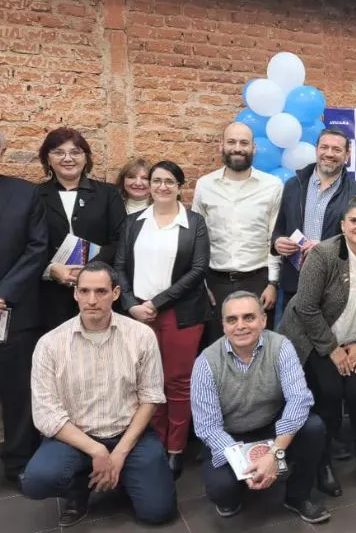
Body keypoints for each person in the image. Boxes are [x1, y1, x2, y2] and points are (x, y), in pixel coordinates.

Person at [21, 262, 176, 528]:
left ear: (116, 293)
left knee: (158, 512)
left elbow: (150, 397)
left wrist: (119, 453)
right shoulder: (50, 344)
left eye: (101, 291)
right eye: (85, 291)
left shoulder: (141, 335)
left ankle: (125, 475)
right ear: (75, 294)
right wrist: (97, 451)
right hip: (76, 438)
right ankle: (79, 488)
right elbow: (46, 414)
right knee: (36, 481)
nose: (92, 300)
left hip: (129, 435)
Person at [278, 194, 356, 495]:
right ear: (343, 225)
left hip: (355, 341)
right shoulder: (324, 255)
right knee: (328, 395)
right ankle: (323, 463)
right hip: (315, 339)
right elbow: (305, 307)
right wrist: (331, 349)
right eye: (354, 221)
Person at [191, 291, 330, 524]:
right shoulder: (206, 362)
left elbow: (299, 399)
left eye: (249, 317)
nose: (241, 326)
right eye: (232, 320)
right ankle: (240, 486)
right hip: (231, 436)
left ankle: (297, 496)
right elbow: (208, 427)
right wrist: (246, 461)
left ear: (263, 320)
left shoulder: (281, 346)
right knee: (222, 492)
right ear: (223, 325)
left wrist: (274, 453)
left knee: (314, 427)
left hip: (272, 427)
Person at [115, 160, 211, 480]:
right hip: (139, 316)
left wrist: (157, 302)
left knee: (177, 383)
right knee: (147, 383)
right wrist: (130, 304)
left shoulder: (194, 223)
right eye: (157, 180)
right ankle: (155, 441)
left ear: (180, 186)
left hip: (181, 314)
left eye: (170, 181)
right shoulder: (133, 222)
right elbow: (120, 267)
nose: (162, 186)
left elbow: (198, 270)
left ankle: (176, 448)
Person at [192, 122, 283, 346]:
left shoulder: (272, 186)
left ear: (254, 148)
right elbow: (197, 239)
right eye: (231, 142)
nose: (237, 148)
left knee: (258, 348)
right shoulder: (205, 185)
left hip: (258, 282)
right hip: (215, 283)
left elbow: (275, 237)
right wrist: (202, 285)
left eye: (244, 143)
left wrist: (272, 283)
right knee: (217, 349)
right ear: (221, 146)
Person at [37, 127, 126, 331]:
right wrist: (51, 270)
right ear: (47, 159)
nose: (68, 158)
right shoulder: (35, 196)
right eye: (59, 152)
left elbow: (120, 240)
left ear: (86, 158)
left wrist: (89, 271)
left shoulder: (108, 194)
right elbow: (29, 242)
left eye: (76, 152)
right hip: (50, 295)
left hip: (99, 291)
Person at [0, 130, 48, 486]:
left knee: (18, 391)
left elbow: (37, 248)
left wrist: (5, 292)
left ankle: (18, 462)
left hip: (13, 310)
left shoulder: (25, 193)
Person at [272, 128, 356, 307]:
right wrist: (277, 243)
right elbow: (279, 229)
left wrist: (326, 249)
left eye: (337, 149)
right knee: (292, 335)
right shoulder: (293, 186)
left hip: (335, 286)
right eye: (324, 147)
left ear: (347, 155)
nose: (329, 154)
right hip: (295, 284)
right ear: (316, 150)